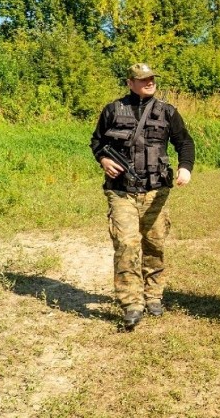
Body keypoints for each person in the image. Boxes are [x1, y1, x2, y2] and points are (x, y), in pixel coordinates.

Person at [90, 63, 195, 331]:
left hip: (155, 191)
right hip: (121, 190)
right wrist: (103, 158)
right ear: (130, 82)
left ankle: (153, 295)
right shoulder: (113, 110)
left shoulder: (167, 111)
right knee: (126, 244)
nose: (149, 82)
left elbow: (185, 142)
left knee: (154, 245)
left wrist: (185, 167)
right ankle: (131, 303)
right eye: (142, 79)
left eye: (151, 78)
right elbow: (97, 141)